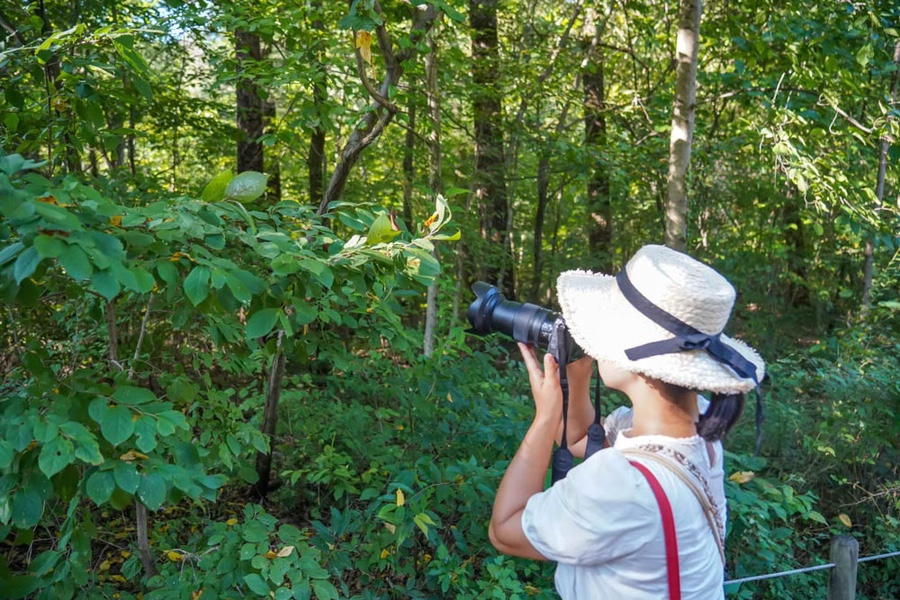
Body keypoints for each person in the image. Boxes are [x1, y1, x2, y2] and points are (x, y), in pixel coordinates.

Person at [488, 244, 765, 599]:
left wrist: (545, 418)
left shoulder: (623, 485)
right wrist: (577, 373)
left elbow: (505, 530)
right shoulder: (698, 433)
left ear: (635, 359)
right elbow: (579, 441)